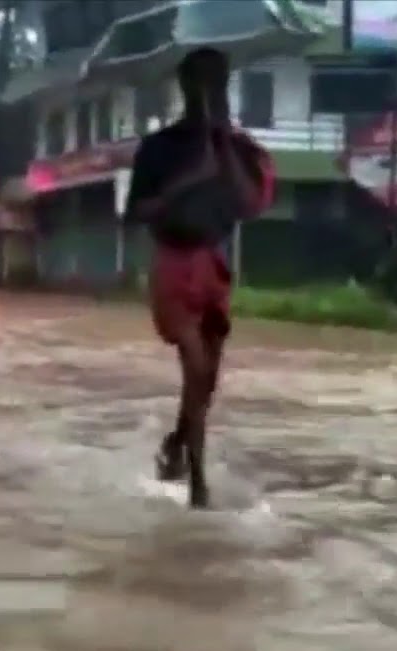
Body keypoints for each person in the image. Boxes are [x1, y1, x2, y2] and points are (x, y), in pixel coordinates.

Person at [123, 48, 276, 508]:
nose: (207, 96)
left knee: (206, 380)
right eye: (199, 86)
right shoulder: (160, 147)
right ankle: (198, 484)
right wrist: (190, 180)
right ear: (185, 89)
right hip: (173, 261)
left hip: (216, 262)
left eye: (215, 86)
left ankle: (176, 443)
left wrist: (223, 149)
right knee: (196, 365)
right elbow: (135, 213)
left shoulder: (241, 149)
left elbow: (250, 206)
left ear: (226, 89)